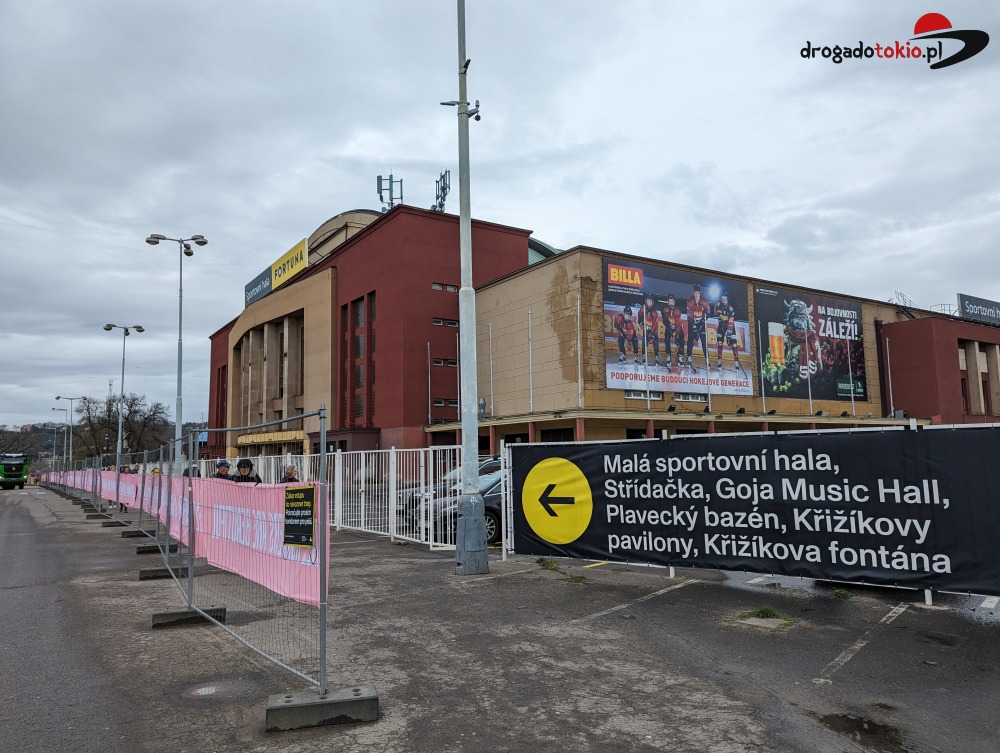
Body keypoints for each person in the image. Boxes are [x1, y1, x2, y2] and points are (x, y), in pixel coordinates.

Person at [685, 283, 711, 370]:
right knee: (691, 339)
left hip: (701, 321)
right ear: (693, 293)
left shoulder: (704, 302)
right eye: (695, 292)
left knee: (704, 340)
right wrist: (694, 328)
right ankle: (689, 356)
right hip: (692, 321)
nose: (696, 295)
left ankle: (707, 358)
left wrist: (703, 320)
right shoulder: (689, 302)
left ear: (700, 293)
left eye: (698, 293)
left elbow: (709, 312)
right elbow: (690, 317)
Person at [660, 292, 685, 371]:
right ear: (668, 302)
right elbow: (664, 316)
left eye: (672, 301)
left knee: (681, 339)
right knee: (667, 339)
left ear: (674, 302)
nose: (671, 303)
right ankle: (668, 355)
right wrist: (665, 321)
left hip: (677, 326)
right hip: (669, 326)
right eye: (670, 301)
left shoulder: (677, 311)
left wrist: (677, 335)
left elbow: (678, 324)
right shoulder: (665, 309)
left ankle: (680, 356)